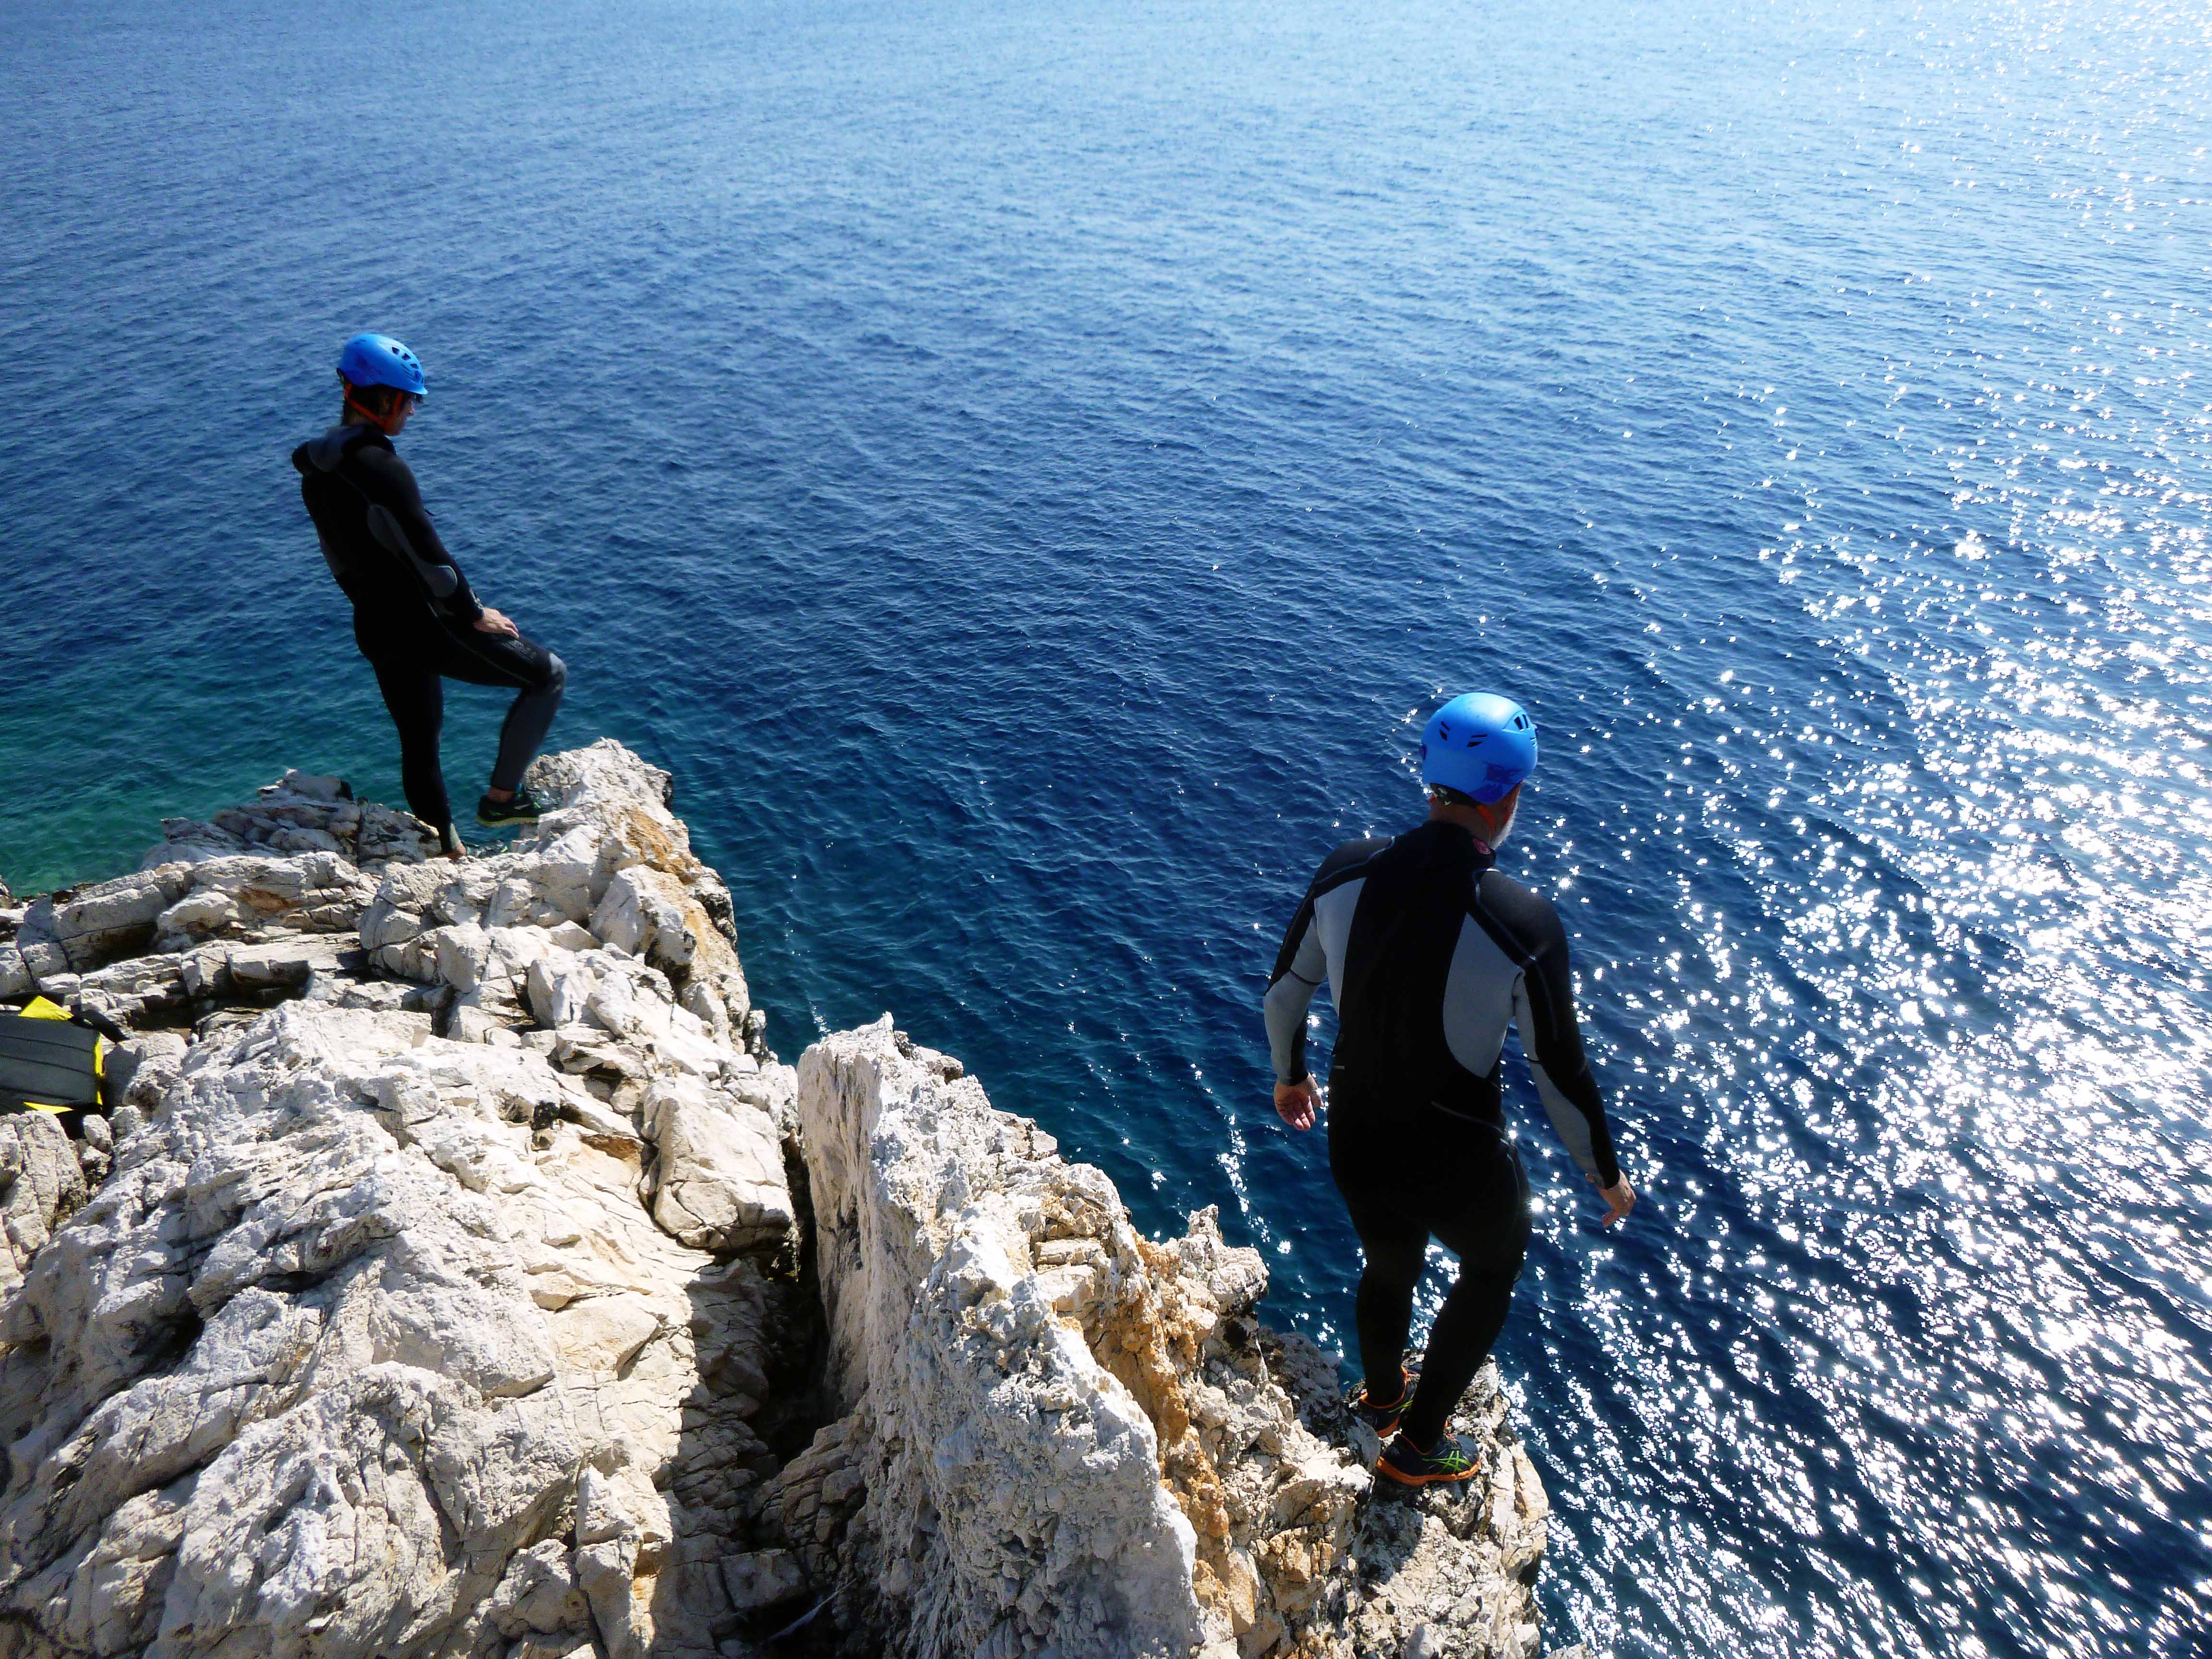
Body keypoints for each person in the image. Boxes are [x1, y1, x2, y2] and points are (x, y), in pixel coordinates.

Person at [1263, 691, 1635, 1489]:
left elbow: (1283, 997)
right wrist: (1603, 1174)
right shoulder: (1519, 920)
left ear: (1429, 780)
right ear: (1507, 797)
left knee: (1387, 1262)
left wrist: (1289, 1076)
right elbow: (1557, 1072)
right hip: (1455, 1159)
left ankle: (1381, 1400)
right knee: (1493, 1264)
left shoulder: (1343, 872)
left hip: (1355, 1136)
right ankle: (1421, 1446)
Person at [291, 333, 566, 858]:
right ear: (388, 399)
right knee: (549, 676)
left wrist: (374, 604)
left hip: (374, 625)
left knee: (419, 743)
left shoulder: (317, 470)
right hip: (426, 625)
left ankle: (447, 849)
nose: (412, 413)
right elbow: (433, 562)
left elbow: (338, 559)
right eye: (410, 401)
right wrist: (474, 614)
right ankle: (502, 800)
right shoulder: (381, 468)